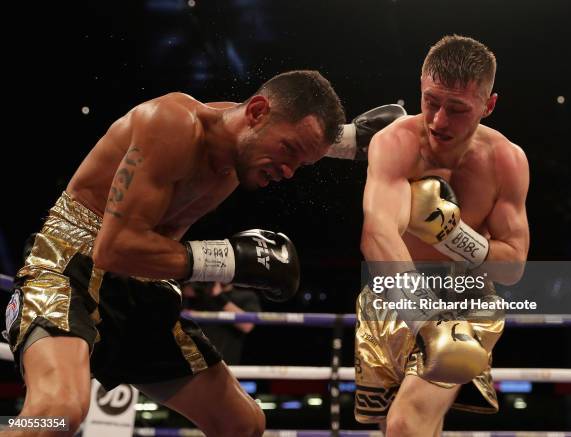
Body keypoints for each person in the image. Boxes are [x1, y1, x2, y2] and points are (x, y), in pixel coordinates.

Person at [1, 68, 403, 437]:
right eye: (289, 152)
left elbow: (291, 121)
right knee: (59, 411)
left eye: (302, 162)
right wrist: (229, 260)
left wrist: (351, 141)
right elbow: (113, 248)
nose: (288, 172)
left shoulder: (250, 142)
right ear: (257, 112)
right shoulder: (172, 125)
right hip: (70, 263)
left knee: (243, 425)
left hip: (143, 286)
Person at [353, 35, 530, 436]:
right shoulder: (396, 143)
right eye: (430, 101)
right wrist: (426, 319)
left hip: (466, 299)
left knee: (405, 423)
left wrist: (455, 235)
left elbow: (514, 268)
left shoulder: (505, 161)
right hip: (392, 295)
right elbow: (377, 236)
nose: (437, 121)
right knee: (397, 427)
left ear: (488, 105)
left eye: (457, 109)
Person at [183, 282, 261, 365]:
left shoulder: (245, 296)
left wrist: (219, 297)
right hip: (194, 362)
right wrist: (183, 294)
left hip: (227, 363)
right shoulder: (195, 296)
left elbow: (247, 326)